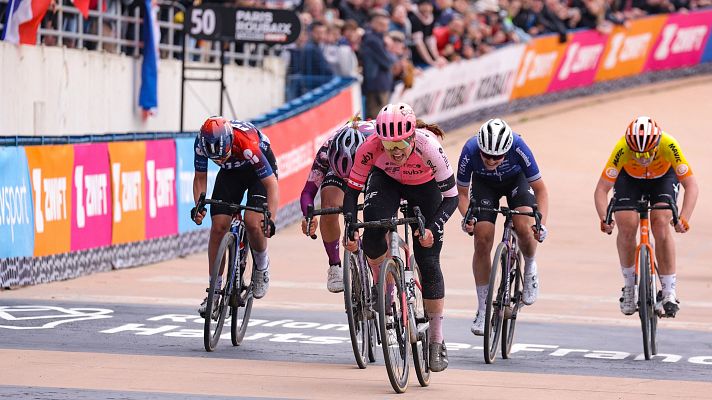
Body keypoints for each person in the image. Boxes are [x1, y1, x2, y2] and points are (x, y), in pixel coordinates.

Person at [343, 103, 458, 373]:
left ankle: (436, 340)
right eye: (387, 146)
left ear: (412, 137)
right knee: (372, 232)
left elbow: (451, 198)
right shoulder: (370, 147)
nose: (394, 152)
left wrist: (433, 227)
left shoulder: (428, 146)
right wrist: (350, 227)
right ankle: (384, 287)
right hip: (387, 182)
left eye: (400, 146)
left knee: (428, 261)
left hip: (426, 187)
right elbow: (351, 193)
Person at [594, 116, 698, 318]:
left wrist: (684, 217)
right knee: (626, 224)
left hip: (663, 179)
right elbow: (601, 189)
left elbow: (691, 185)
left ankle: (668, 292)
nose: (643, 158)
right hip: (630, 180)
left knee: (660, 223)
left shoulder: (669, 144)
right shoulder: (622, 148)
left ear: (657, 144)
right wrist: (604, 218)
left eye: (649, 152)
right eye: (638, 153)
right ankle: (629, 287)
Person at [457, 118, 549, 336]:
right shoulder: (470, 149)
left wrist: (541, 224)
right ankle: (482, 308)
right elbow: (461, 195)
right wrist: (467, 217)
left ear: (507, 150)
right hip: (484, 186)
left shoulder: (519, 146)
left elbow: (541, 190)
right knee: (482, 237)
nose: (490, 160)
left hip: (516, 182)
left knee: (524, 225)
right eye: (486, 155)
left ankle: (530, 266)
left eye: (497, 157)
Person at [191, 117, 280, 318]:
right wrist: (199, 206)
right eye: (216, 160)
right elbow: (200, 178)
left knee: (252, 221)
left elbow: (271, 185)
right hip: (231, 173)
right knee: (218, 226)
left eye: (222, 156)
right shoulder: (202, 143)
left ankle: (262, 266)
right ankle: (214, 292)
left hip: (259, 174)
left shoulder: (247, 144)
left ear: (230, 142)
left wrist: (271, 219)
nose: (219, 161)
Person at [300, 117, 376, 292]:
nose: (350, 180)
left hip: (370, 167)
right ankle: (335, 266)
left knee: (378, 208)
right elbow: (307, 192)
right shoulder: (326, 152)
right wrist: (308, 216)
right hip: (338, 170)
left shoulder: (377, 147)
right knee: (328, 206)